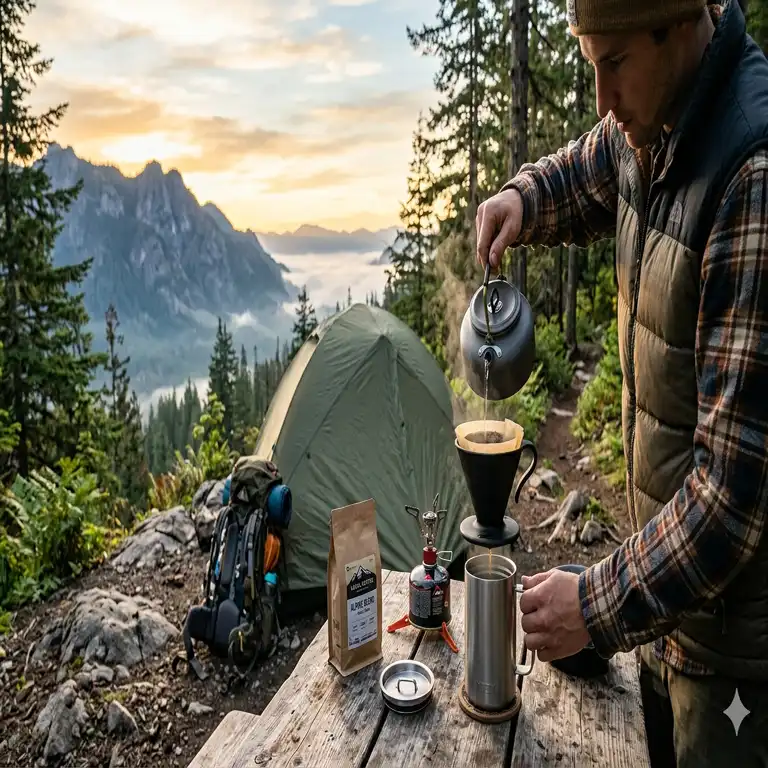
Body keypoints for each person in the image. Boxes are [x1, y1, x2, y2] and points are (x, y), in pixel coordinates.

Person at [474, 1, 768, 766]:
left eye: (614, 64)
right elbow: (591, 164)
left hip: (738, 665)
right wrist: (522, 198)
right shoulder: (657, 121)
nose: (602, 99)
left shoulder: (752, 178)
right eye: (587, 62)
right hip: (673, 613)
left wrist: (596, 607)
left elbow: (733, 500)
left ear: (682, 26)